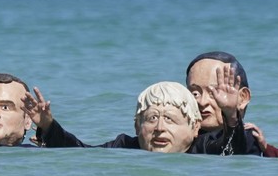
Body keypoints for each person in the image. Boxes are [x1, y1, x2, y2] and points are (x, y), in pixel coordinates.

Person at [29, 66, 251, 155]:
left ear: (195, 128)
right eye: (152, 118)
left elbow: (233, 150)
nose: (160, 128)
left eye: (171, 120)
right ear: (136, 125)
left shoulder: (203, 147)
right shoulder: (125, 147)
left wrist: (231, 116)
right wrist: (48, 126)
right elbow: (80, 154)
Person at [186, 51, 278, 158]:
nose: (202, 102)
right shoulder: (184, 136)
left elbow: (232, 152)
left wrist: (231, 116)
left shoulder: (247, 138)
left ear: (243, 98)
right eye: (195, 93)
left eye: (214, 92)